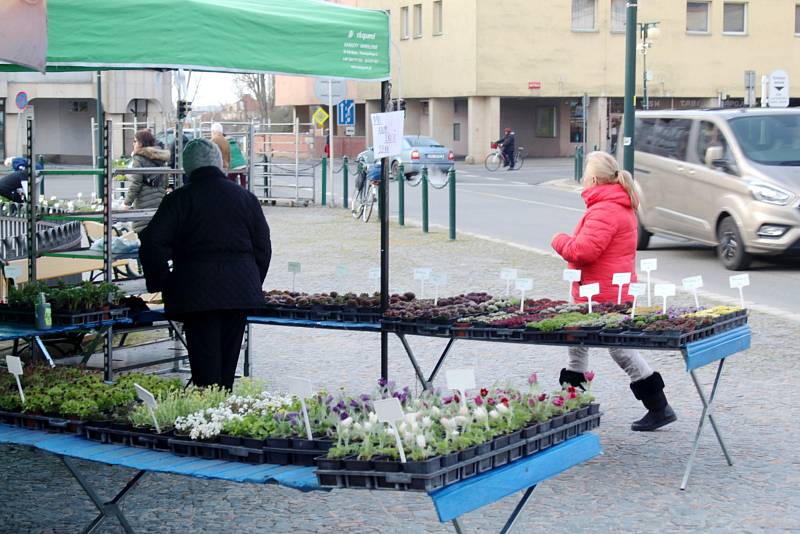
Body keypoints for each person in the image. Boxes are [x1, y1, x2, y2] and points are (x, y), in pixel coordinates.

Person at [550, 151, 677, 432]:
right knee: (589, 346)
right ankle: (654, 407)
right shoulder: (619, 205)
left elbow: (583, 251)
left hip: (600, 295)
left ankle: (656, 407)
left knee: (606, 348)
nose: (583, 180)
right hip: (608, 291)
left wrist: (559, 240)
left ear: (593, 179)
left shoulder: (605, 209)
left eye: (585, 175)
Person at [139, 139, 271, 390]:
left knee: (205, 372)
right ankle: (222, 417)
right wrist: (251, 281)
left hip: (196, 294)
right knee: (226, 371)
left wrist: (164, 283)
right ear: (219, 164)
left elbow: (152, 243)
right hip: (238, 292)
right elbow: (263, 249)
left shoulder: (179, 200)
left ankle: (208, 422)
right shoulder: (246, 198)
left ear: (188, 168)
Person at [122, 129, 169, 233]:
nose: (133, 143)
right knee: (158, 230)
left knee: (142, 230)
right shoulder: (161, 158)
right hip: (160, 201)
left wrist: (127, 203)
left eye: (135, 141)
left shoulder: (138, 158)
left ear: (141, 143)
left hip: (144, 201)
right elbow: (165, 182)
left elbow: (136, 183)